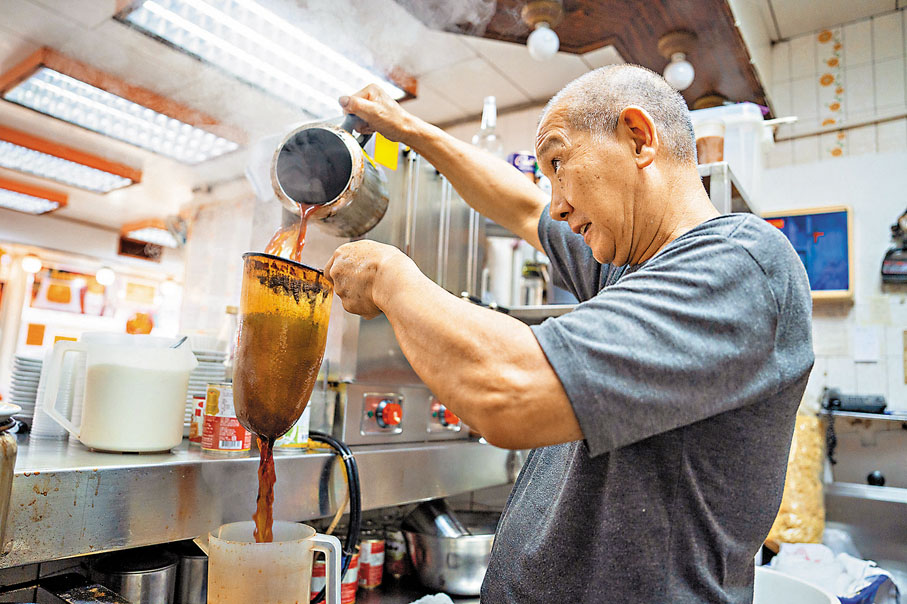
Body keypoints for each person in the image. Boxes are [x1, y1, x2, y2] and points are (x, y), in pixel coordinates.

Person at [324, 65, 814, 603]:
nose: (556, 202)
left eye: (559, 163)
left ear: (638, 137)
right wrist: (405, 127)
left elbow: (509, 392)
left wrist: (388, 279)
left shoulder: (740, 265)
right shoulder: (628, 264)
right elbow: (520, 204)